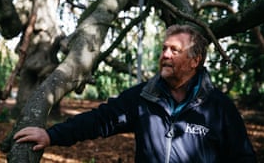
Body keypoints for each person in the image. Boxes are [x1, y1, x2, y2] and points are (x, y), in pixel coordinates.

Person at [14, 24, 256, 162]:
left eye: (175, 50)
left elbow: (243, 159)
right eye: (164, 48)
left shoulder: (219, 108)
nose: (165, 55)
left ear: (195, 61)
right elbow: (101, 119)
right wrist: (51, 135)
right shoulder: (143, 96)